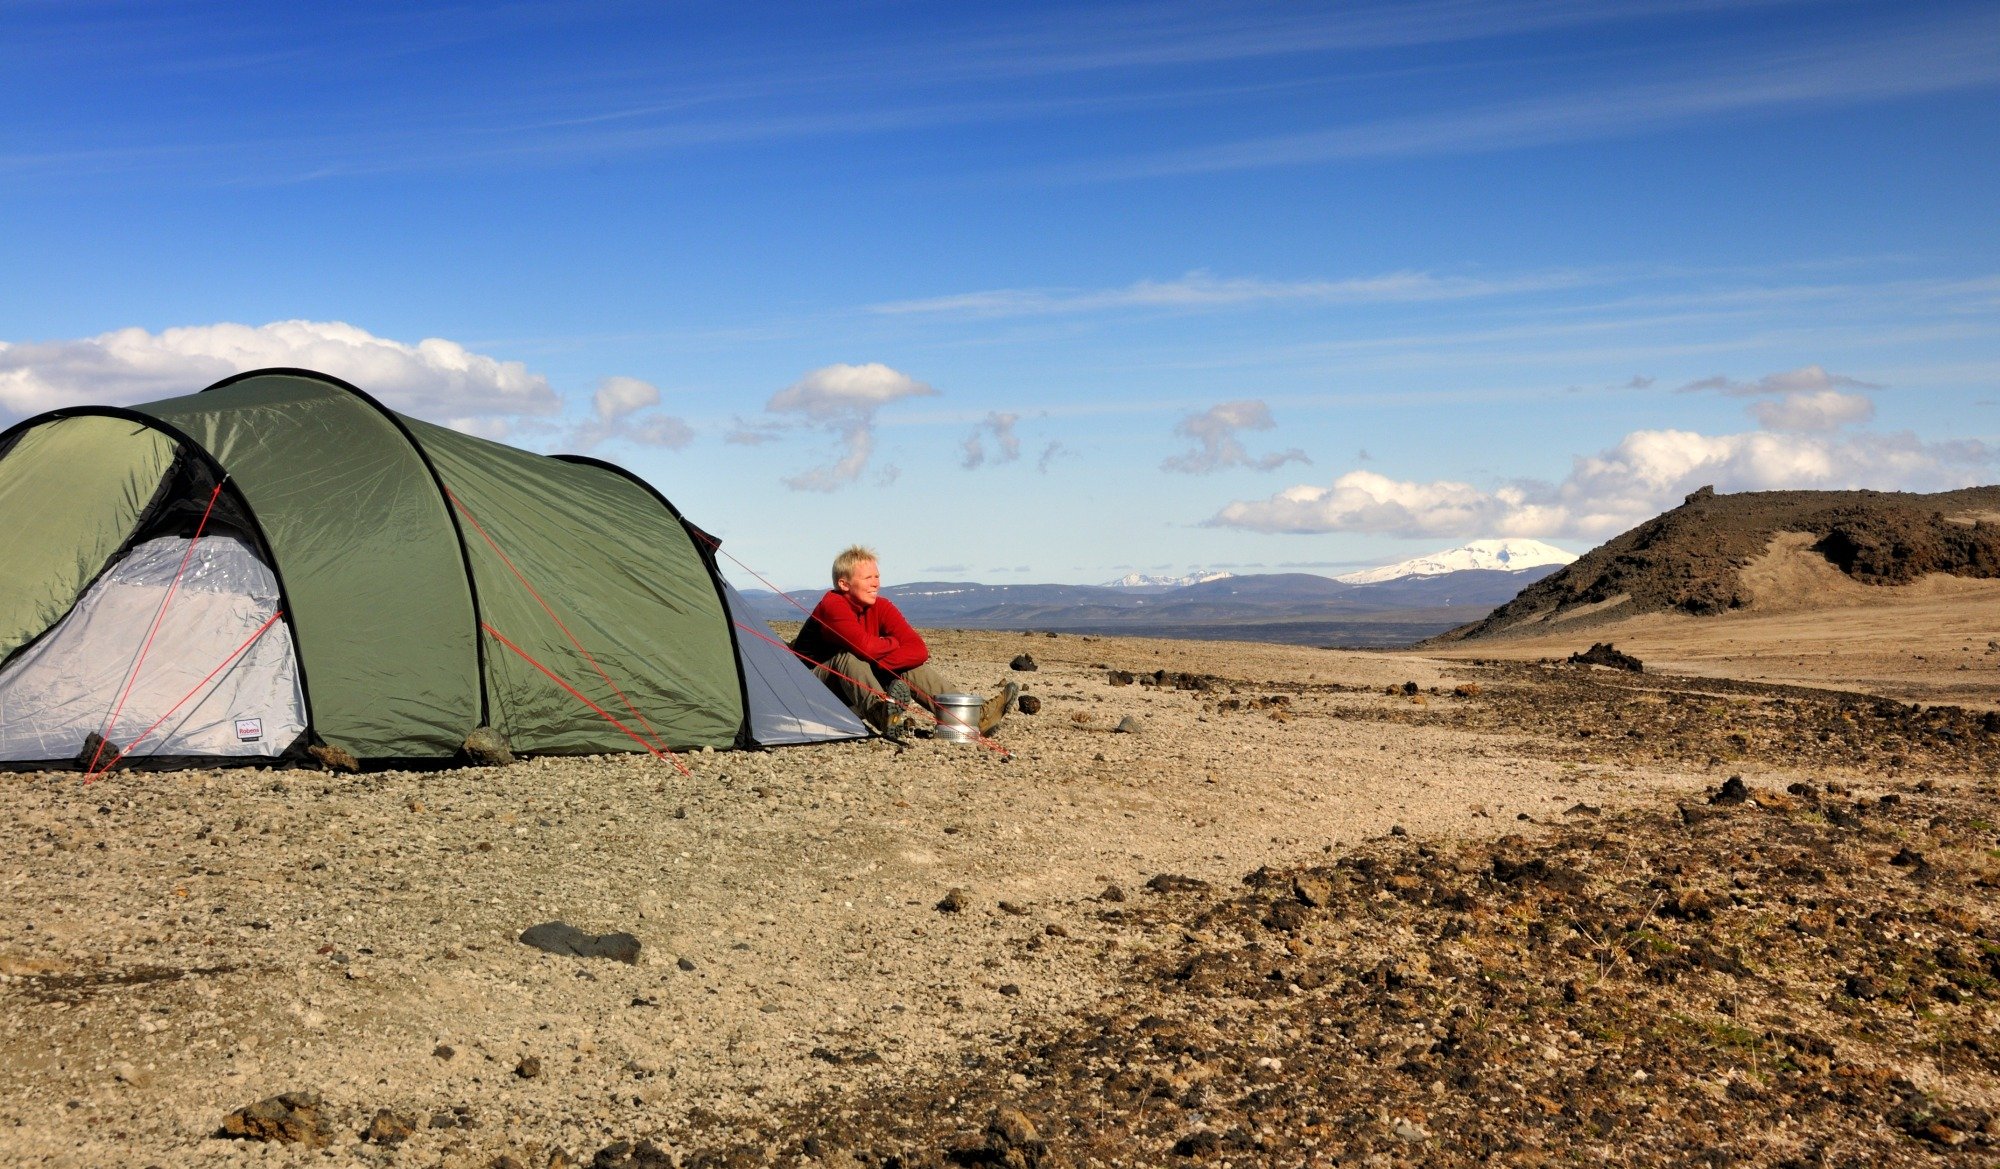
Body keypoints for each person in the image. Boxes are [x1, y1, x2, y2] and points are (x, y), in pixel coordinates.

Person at [791, 545, 1017, 739]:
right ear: (844, 584)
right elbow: (865, 648)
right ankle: (882, 713)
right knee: (849, 656)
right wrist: (890, 644)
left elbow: (919, 650)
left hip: (855, 685)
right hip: (809, 688)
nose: (875, 584)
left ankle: (971, 717)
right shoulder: (832, 605)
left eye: (877, 577)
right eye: (868, 578)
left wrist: (884, 662)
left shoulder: (881, 606)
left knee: (908, 665)